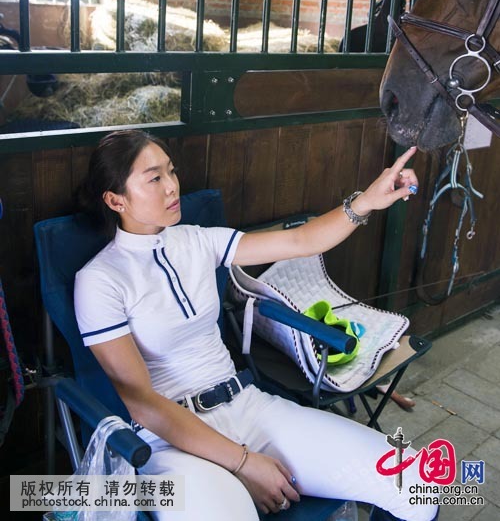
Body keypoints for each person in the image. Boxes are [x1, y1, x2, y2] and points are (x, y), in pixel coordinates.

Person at [75, 129, 438, 521]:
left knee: (416, 484)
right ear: (115, 199)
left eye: (171, 171)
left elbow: (300, 242)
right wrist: (243, 463)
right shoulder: (99, 280)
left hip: (247, 407)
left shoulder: (198, 241)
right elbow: (143, 404)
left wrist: (367, 200)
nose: (172, 187)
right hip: (170, 443)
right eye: (154, 177)